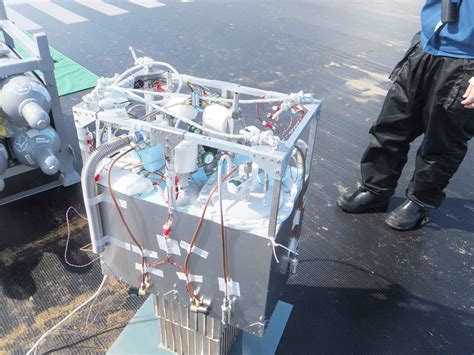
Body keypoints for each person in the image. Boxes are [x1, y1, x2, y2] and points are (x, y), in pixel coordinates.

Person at [337, 0, 474, 231]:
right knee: (391, 125)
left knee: (442, 142)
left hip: (466, 62)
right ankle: (376, 190)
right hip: (425, 47)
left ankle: (420, 203)